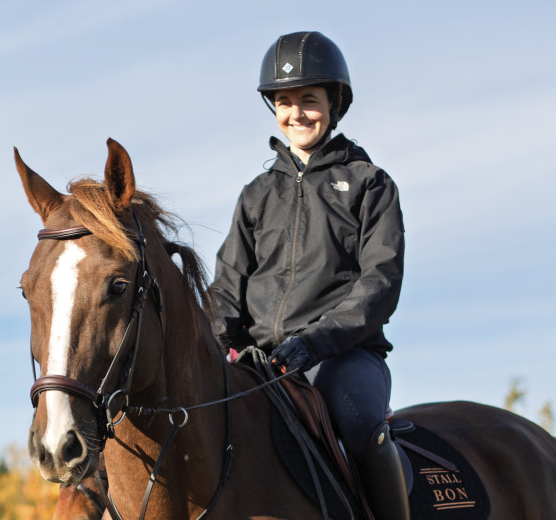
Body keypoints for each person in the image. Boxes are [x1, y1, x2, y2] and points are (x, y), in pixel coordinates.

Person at [209, 31, 409, 519]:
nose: (296, 113)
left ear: (334, 104)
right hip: (260, 361)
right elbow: (228, 283)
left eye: (309, 100)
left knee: (360, 423)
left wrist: (316, 341)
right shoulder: (256, 194)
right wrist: (214, 339)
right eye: (284, 102)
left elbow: (379, 284)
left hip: (341, 355)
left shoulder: (370, 184)